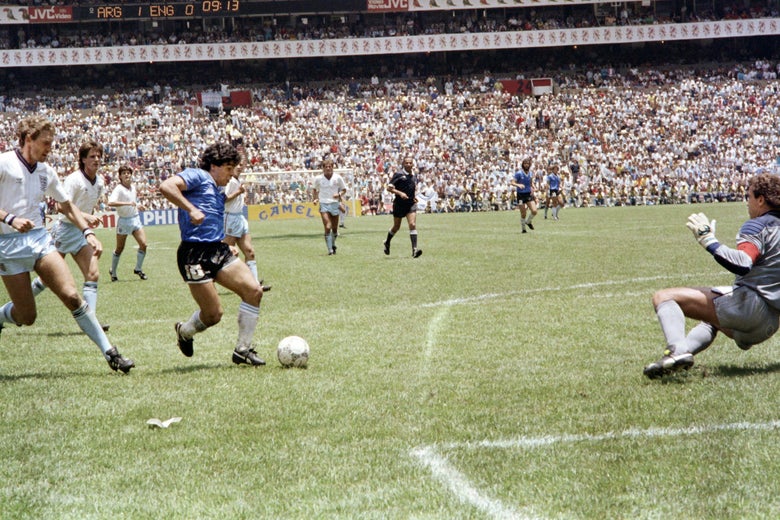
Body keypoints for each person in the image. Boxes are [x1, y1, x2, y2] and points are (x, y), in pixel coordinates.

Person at [0, 116, 134, 373]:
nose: (50, 148)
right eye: (46, 143)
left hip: (39, 239)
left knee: (72, 296)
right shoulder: (4, 163)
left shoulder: (45, 171)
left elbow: (65, 205)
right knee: (27, 317)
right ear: (29, 139)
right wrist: (9, 218)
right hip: (8, 244)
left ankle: (111, 353)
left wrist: (87, 232)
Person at [644, 173, 780, 379]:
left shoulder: (757, 225)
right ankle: (677, 358)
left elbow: (742, 263)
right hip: (770, 324)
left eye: (749, 196)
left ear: (761, 200)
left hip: (749, 310)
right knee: (710, 320)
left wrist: (708, 240)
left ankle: (678, 351)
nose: (747, 202)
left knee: (664, 297)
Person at [160, 142, 267, 366]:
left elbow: (212, 220)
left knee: (254, 291)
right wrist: (190, 209)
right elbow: (166, 186)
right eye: (228, 168)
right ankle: (185, 332)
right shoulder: (197, 176)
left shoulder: (218, 190)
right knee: (213, 315)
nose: (231, 174)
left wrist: (224, 243)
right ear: (214, 166)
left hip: (217, 249)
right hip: (193, 254)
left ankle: (242, 350)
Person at [30, 140, 111, 331]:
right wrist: (86, 217)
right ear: (82, 159)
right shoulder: (74, 179)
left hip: (80, 232)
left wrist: (86, 222)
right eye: (92, 156)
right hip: (65, 230)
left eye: (99, 156)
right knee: (47, 279)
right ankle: (11, 308)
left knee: (93, 273)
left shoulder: (99, 182)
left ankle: (90, 321)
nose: (97, 159)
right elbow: (60, 207)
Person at [107, 165, 148, 281]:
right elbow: (110, 203)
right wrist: (127, 204)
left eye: (128, 173)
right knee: (119, 248)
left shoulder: (133, 188)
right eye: (124, 173)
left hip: (135, 218)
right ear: (120, 176)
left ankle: (138, 269)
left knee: (143, 244)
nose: (126, 175)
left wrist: (139, 205)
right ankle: (113, 272)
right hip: (124, 221)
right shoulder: (118, 189)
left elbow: (133, 202)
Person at [382, 156, 422, 258]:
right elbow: (389, 188)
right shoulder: (399, 174)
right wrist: (400, 193)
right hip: (399, 204)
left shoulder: (413, 176)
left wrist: (414, 197)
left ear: (413, 164)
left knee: (412, 224)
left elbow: (411, 188)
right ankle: (387, 242)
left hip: (410, 204)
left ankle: (414, 250)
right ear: (403, 164)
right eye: (407, 163)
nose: (409, 164)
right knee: (396, 227)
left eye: (410, 163)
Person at [224, 167, 260, 281]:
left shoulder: (237, 180)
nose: (239, 167)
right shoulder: (228, 181)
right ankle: (211, 278)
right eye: (237, 165)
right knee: (227, 253)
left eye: (241, 165)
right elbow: (223, 199)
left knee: (250, 252)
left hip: (240, 217)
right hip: (230, 217)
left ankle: (254, 283)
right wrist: (238, 192)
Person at [311, 157, 347, 256]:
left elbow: (344, 189)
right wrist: (315, 198)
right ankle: (330, 249)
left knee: (335, 229)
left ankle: (333, 244)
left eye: (330, 166)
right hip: (323, 203)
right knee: (328, 226)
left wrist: (339, 195)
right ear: (323, 168)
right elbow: (314, 189)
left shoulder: (337, 177)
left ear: (332, 167)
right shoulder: (318, 178)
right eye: (326, 167)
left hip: (334, 203)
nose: (328, 168)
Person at [509, 157, 538, 233]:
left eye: (527, 164)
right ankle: (523, 229)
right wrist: (518, 185)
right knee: (523, 213)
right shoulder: (519, 173)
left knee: (534, 211)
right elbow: (512, 182)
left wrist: (534, 186)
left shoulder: (531, 173)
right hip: (520, 195)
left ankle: (528, 222)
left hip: (528, 194)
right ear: (523, 165)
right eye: (525, 164)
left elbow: (531, 182)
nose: (526, 165)